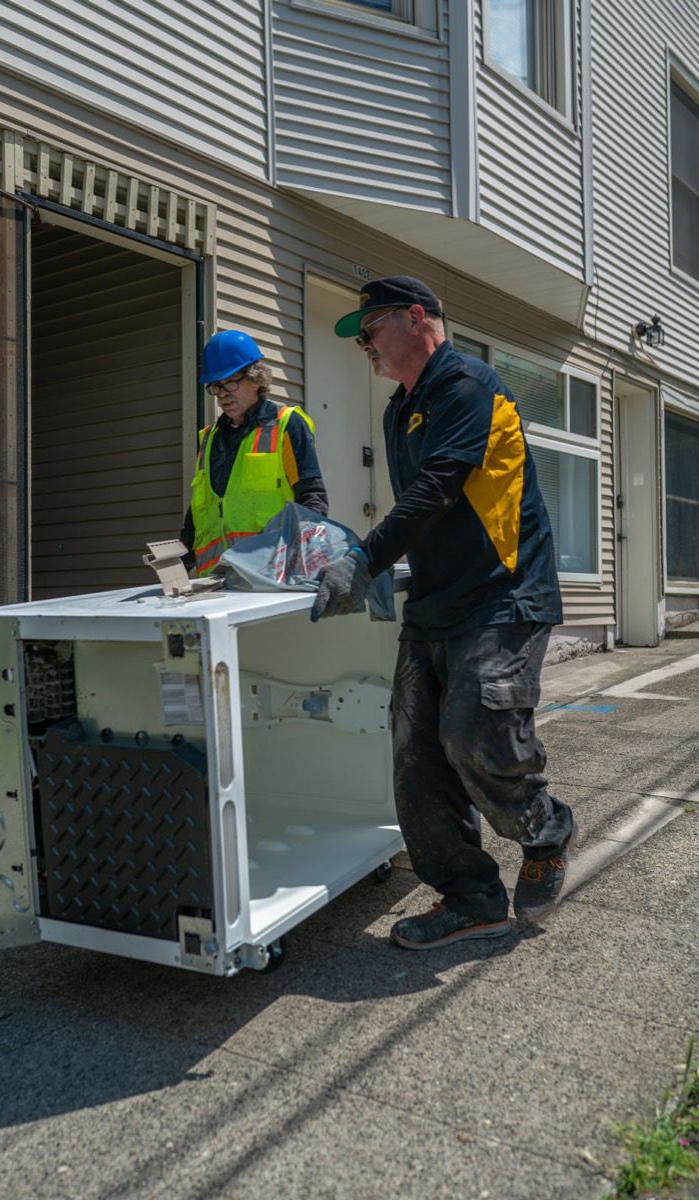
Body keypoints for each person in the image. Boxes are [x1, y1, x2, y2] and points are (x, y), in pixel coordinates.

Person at [311, 276, 576, 950]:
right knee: (415, 756)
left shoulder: (469, 385)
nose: (365, 345)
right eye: (361, 338)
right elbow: (435, 516)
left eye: (371, 329)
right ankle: (471, 898)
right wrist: (400, 569)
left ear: (417, 317)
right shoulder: (399, 411)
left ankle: (545, 830)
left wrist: (362, 562)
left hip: (502, 596)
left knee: (472, 732)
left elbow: (434, 491)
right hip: (437, 603)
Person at [180, 329, 328, 575]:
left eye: (229, 382)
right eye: (215, 386)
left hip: (269, 579)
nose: (222, 394)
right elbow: (198, 512)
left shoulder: (286, 424)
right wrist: (178, 561)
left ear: (256, 378)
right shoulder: (208, 439)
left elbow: (312, 500)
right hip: (214, 584)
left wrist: (300, 561)